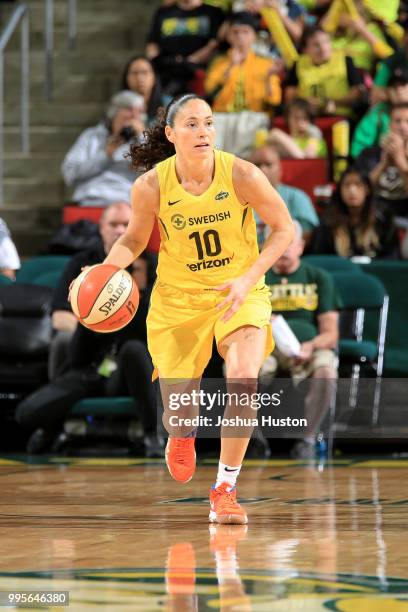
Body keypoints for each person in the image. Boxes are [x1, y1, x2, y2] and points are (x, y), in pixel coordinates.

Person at [92, 93, 294, 524]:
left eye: (208, 124)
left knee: (243, 380)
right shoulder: (151, 185)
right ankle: (181, 433)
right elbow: (132, 239)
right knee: (181, 413)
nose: (203, 132)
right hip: (178, 301)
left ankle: (225, 489)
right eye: (192, 125)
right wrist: (105, 272)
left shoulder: (240, 173)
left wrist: (247, 277)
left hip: (237, 293)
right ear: (171, 133)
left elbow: (283, 228)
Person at [15, 252, 164, 458]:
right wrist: (89, 315)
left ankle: (152, 434)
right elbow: (77, 358)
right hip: (95, 372)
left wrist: (132, 301)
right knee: (26, 413)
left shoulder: (157, 304)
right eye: (123, 273)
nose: (127, 277)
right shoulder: (101, 303)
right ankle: (53, 428)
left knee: (133, 349)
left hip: (133, 378)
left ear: (149, 274)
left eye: (134, 270)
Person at [262, 221, 339, 459]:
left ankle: (307, 438)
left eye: (289, 243)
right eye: (278, 243)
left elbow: (331, 332)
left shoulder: (319, 277)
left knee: (326, 371)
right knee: (238, 369)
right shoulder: (256, 279)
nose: (284, 249)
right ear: (266, 247)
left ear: (301, 247)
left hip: (308, 346)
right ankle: (252, 440)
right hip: (266, 345)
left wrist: (312, 345)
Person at [49, 202, 132, 381]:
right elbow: (59, 317)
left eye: (126, 224)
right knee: (63, 340)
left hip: (130, 346)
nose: (120, 230)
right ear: (101, 228)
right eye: (113, 224)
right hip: (87, 346)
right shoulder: (81, 262)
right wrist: (97, 326)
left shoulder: (147, 264)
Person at [61, 91, 145, 206]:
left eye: (140, 111)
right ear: (114, 112)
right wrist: (105, 155)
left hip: (128, 204)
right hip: (92, 201)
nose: (135, 116)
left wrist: (142, 138)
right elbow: (70, 174)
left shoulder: (145, 141)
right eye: (129, 109)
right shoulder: (91, 137)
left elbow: (158, 177)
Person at [311, 167, 400, 259]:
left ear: (367, 189)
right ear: (339, 191)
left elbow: (393, 255)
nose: (352, 190)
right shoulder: (329, 219)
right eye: (346, 185)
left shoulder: (382, 216)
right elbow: (319, 257)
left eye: (358, 184)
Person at [205, 11, 281, 113]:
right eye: (235, 32)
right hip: (223, 115)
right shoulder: (218, 61)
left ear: (254, 36)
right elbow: (211, 94)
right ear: (228, 36)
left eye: (245, 32)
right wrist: (231, 66)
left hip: (254, 117)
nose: (240, 36)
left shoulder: (266, 63)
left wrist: (268, 78)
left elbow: (274, 102)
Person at [146, 0, 225, 95]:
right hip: (166, 71)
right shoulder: (164, 12)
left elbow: (214, 43)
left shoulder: (213, 12)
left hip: (198, 72)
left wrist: (191, 60)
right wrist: (153, 64)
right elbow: (152, 43)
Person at [285, 26, 364, 118]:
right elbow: (290, 97)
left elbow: (357, 93)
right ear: (305, 49)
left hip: (339, 116)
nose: (323, 48)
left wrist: (331, 103)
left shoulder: (345, 60)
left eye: (326, 42)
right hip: (306, 119)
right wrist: (305, 104)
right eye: (316, 45)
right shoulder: (298, 64)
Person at [248, 145, 319, 246]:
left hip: (285, 257)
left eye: (268, 164)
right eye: (257, 164)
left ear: (280, 169)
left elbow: (307, 234)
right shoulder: (236, 198)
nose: (263, 169)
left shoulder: (297, 197)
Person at [356, 102, 408, 218]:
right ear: (389, 124)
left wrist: (400, 161)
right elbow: (360, 191)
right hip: (374, 214)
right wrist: (383, 165)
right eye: (397, 121)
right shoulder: (369, 154)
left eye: (407, 121)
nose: (403, 126)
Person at [351, 70, 408, 158]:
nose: (398, 89)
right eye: (394, 86)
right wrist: (379, 149)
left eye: (403, 85)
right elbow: (357, 151)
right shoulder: (375, 116)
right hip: (383, 167)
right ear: (387, 91)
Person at [120, 56, 171, 125]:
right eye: (134, 73)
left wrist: (140, 133)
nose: (139, 78)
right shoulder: (118, 105)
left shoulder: (169, 105)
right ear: (126, 78)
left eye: (145, 72)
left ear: (154, 77)